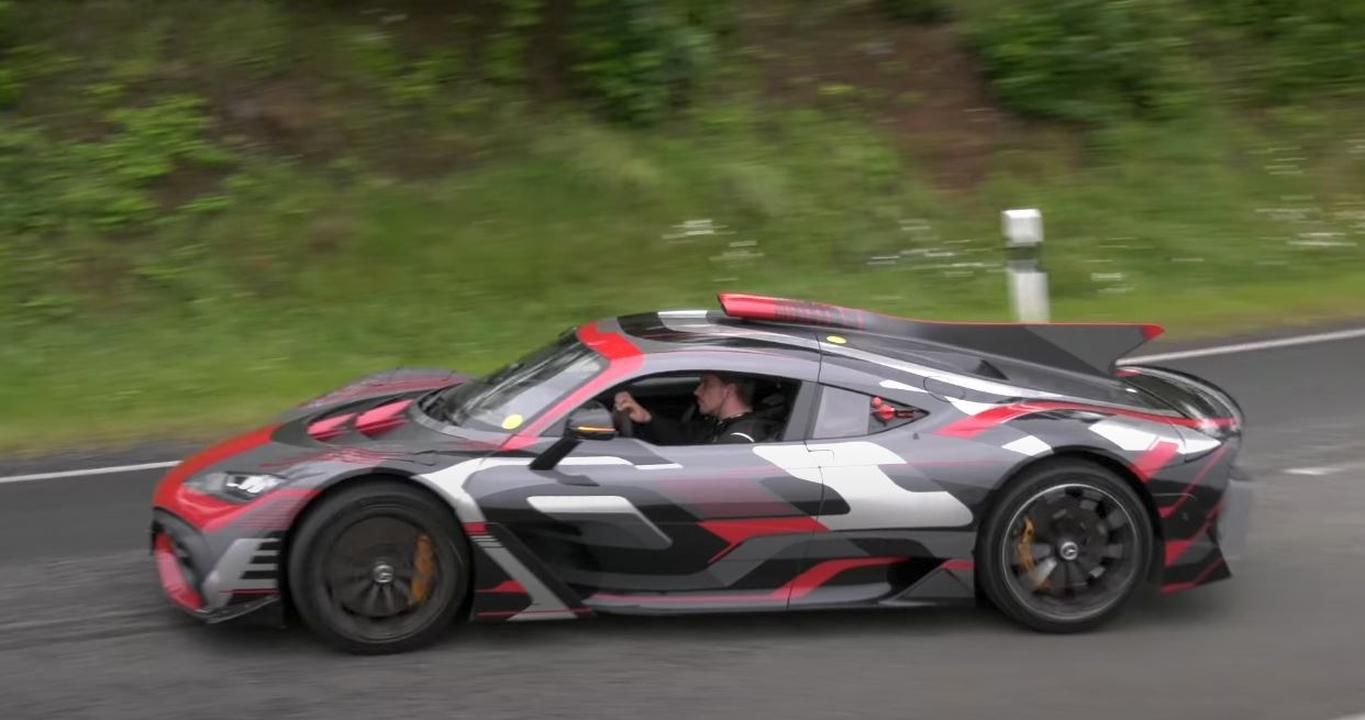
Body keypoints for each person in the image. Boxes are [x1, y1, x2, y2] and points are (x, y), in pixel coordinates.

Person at [613, 372, 773, 445]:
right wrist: (647, 417)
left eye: (707, 384)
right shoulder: (719, 423)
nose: (697, 391)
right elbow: (685, 434)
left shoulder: (737, 440)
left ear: (728, 391)